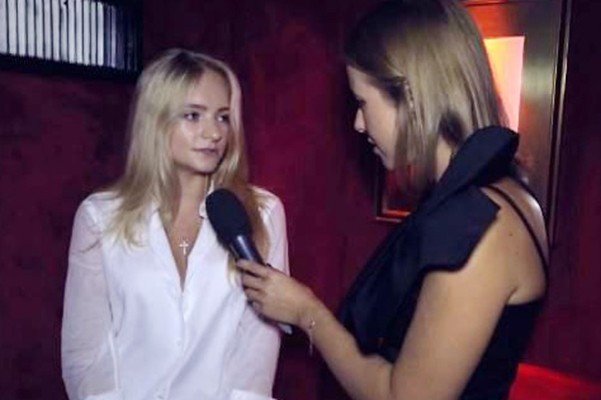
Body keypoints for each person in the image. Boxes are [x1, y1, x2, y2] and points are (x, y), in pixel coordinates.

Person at [237, 1, 548, 399]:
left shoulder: (480, 223)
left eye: (363, 103)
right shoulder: (495, 194)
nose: (358, 123)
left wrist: (306, 312)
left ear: (412, 98)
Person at [61, 49, 289, 400]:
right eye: (193, 115)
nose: (214, 133)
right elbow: (85, 354)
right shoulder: (99, 217)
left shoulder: (263, 212)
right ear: (156, 121)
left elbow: (257, 350)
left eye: (223, 117)